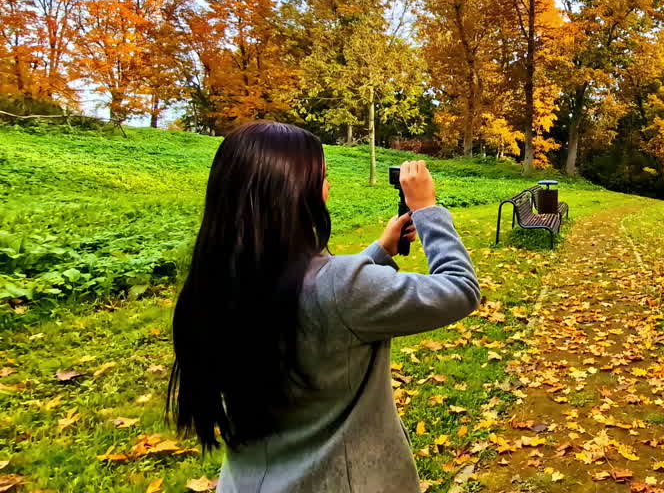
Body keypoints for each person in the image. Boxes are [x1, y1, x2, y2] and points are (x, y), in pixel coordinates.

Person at [166, 121, 480, 492]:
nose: (327, 187)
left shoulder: (217, 282)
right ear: (294, 194)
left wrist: (379, 252)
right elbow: (460, 288)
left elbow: (310, 295)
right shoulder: (342, 288)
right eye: (322, 177)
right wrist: (427, 209)